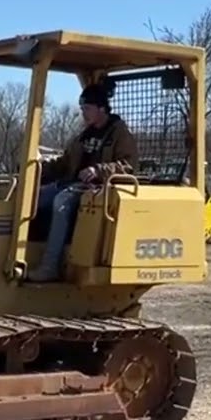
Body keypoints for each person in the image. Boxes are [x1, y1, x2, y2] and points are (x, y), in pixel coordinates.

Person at [29, 82, 139, 282]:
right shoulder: (84, 135)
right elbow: (65, 162)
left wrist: (98, 170)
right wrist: (35, 170)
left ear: (101, 108)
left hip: (97, 188)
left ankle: (50, 265)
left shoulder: (119, 134)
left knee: (61, 202)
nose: (83, 113)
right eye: (82, 109)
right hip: (71, 183)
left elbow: (129, 165)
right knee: (32, 199)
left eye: (87, 109)